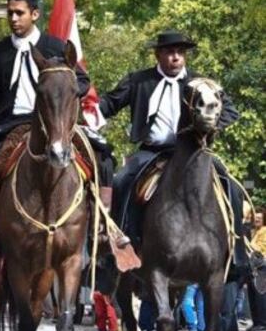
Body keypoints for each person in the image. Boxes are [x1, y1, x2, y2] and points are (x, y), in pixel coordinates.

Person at [0, 0, 91, 271]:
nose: (13, 18)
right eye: (10, 12)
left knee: (101, 157)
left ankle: (104, 230)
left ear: (34, 14)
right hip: (12, 123)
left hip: (55, 122)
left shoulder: (55, 46)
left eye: (19, 12)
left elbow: (82, 80)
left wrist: (67, 90)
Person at [97, 31, 240, 249]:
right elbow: (109, 104)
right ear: (157, 55)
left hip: (193, 152)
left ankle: (238, 253)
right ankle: (118, 244)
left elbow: (230, 111)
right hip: (151, 152)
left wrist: (211, 126)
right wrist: (87, 108)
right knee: (121, 181)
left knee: (230, 184)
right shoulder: (138, 81)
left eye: (180, 53)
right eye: (169, 52)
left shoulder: (201, 83)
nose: (175, 57)